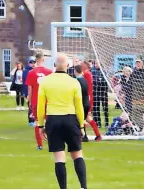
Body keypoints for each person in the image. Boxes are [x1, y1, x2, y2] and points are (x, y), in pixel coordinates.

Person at [37, 53, 87, 189]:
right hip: (70, 119)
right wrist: (81, 126)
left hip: (53, 119)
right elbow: (79, 107)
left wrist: (40, 125)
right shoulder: (74, 82)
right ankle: (83, 186)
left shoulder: (45, 81)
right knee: (77, 153)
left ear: (54, 65)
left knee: (59, 157)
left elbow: (40, 106)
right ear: (68, 66)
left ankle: (63, 188)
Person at [26, 53, 53, 150]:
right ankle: (52, 142)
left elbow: (30, 89)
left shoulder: (31, 73)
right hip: (47, 101)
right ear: (43, 59)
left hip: (36, 101)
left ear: (36, 60)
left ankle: (40, 145)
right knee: (50, 122)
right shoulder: (49, 72)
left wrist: (29, 100)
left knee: (38, 122)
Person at [74, 64, 102, 142]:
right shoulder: (86, 78)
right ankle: (96, 135)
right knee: (87, 118)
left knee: (79, 119)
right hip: (87, 101)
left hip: (83, 102)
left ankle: (82, 136)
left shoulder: (80, 79)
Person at [92, 61, 109, 127]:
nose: (97, 65)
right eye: (96, 63)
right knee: (97, 108)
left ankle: (106, 123)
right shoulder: (93, 72)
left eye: (98, 63)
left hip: (103, 93)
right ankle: (98, 123)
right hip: (96, 93)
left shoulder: (104, 72)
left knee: (105, 108)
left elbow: (106, 82)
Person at [22, 56, 36, 127]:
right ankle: (31, 121)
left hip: (32, 91)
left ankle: (33, 120)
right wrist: (26, 93)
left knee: (33, 106)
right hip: (29, 91)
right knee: (31, 106)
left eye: (34, 62)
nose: (33, 64)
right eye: (31, 62)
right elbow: (26, 83)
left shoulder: (31, 71)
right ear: (28, 63)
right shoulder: (27, 71)